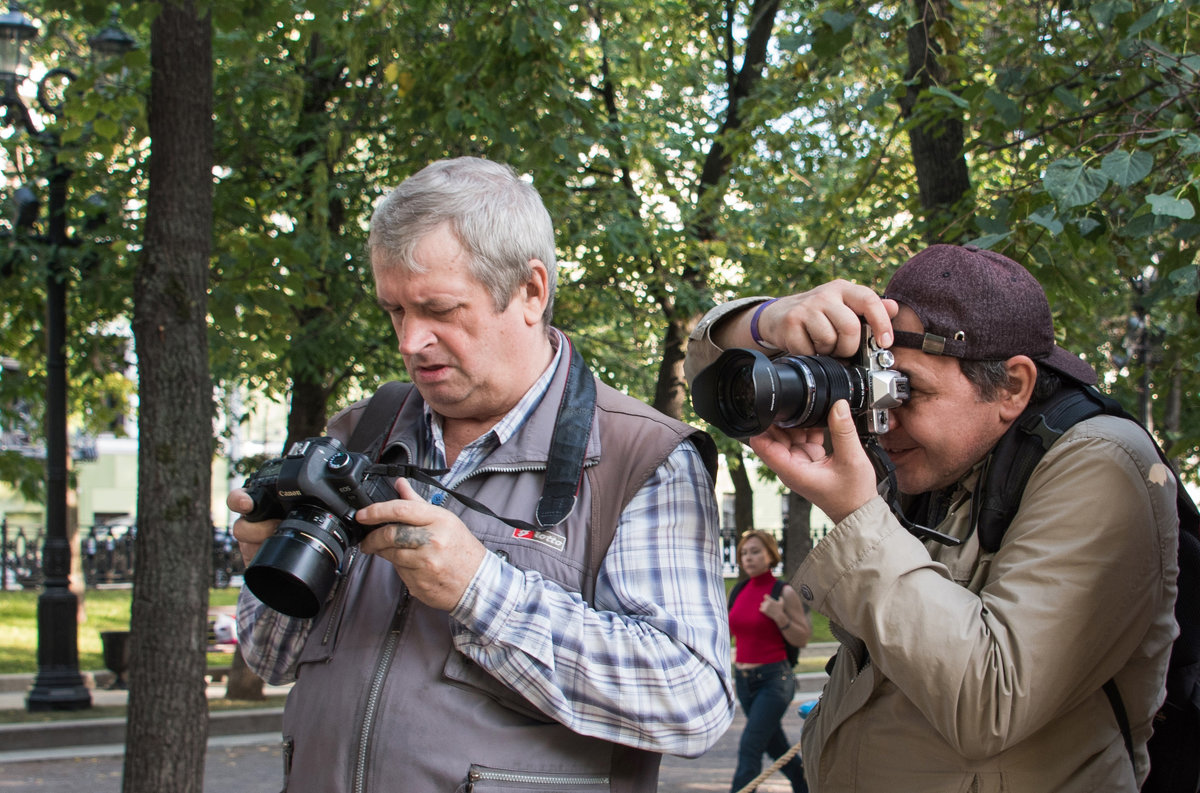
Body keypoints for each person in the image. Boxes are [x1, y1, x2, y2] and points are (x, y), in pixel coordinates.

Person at [230, 156, 734, 792]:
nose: (411, 341)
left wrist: (480, 589)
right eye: (395, 311)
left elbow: (691, 704)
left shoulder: (643, 456)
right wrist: (267, 564)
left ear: (530, 292)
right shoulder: (358, 433)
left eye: (439, 309)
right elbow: (270, 657)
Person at [684, 244, 1179, 793]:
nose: (882, 417)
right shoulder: (935, 457)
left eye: (907, 391)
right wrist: (764, 320)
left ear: (1013, 386)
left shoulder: (1102, 462)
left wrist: (855, 515)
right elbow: (708, 378)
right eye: (877, 382)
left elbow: (992, 702)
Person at [727, 530, 811, 793]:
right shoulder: (738, 590)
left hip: (774, 681)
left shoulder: (782, 592)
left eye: (755, 551)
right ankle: (804, 783)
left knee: (750, 747)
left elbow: (802, 638)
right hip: (744, 682)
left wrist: (780, 617)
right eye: (744, 553)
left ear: (770, 555)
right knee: (776, 748)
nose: (748, 557)